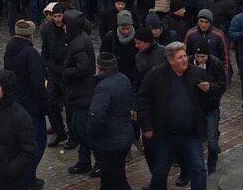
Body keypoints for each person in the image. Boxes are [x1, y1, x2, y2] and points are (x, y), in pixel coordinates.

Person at [137, 42, 209, 190]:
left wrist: (210, 88)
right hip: (166, 135)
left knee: (199, 169)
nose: (184, 60)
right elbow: (142, 100)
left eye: (184, 56)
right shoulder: (156, 75)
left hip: (191, 134)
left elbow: (213, 94)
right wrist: (146, 126)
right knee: (160, 172)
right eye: (180, 57)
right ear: (171, 60)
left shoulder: (196, 72)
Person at [3, 20, 49, 190]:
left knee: (22, 145)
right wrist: (46, 107)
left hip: (16, 104)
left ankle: (28, 177)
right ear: (31, 35)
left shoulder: (9, 50)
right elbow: (37, 84)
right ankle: (28, 179)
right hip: (31, 106)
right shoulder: (31, 53)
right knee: (38, 142)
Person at [85, 51, 135, 190]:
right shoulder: (124, 79)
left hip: (109, 141)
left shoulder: (103, 87)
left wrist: (91, 133)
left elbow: (97, 116)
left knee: (112, 178)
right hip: (124, 136)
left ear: (99, 67)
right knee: (116, 175)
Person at [62, 9, 97, 176]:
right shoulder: (79, 39)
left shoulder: (78, 43)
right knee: (79, 128)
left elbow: (82, 68)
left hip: (82, 92)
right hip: (80, 91)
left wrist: (66, 71)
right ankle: (84, 161)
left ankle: (97, 161)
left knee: (81, 130)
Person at [188, 37, 227, 175]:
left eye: (203, 56)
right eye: (197, 56)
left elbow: (222, 85)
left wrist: (210, 87)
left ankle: (212, 165)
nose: (200, 59)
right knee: (196, 139)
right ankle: (195, 165)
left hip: (211, 107)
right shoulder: (188, 62)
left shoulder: (216, 64)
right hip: (194, 107)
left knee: (212, 139)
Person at [40, 4, 70, 148]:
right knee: (51, 103)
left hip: (67, 73)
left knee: (69, 105)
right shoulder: (46, 29)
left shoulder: (70, 28)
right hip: (53, 72)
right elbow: (44, 49)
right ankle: (59, 131)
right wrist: (46, 67)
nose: (58, 19)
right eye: (55, 16)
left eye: (60, 16)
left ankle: (73, 134)